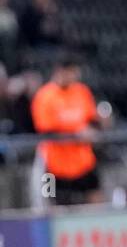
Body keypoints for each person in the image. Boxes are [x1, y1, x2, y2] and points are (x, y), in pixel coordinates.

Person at [30, 54, 103, 205]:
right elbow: (44, 130)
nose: (73, 76)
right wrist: (76, 132)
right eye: (70, 72)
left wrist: (93, 128)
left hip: (84, 162)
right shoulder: (44, 96)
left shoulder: (82, 91)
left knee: (95, 201)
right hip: (55, 165)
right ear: (60, 71)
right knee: (57, 207)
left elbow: (93, 120)